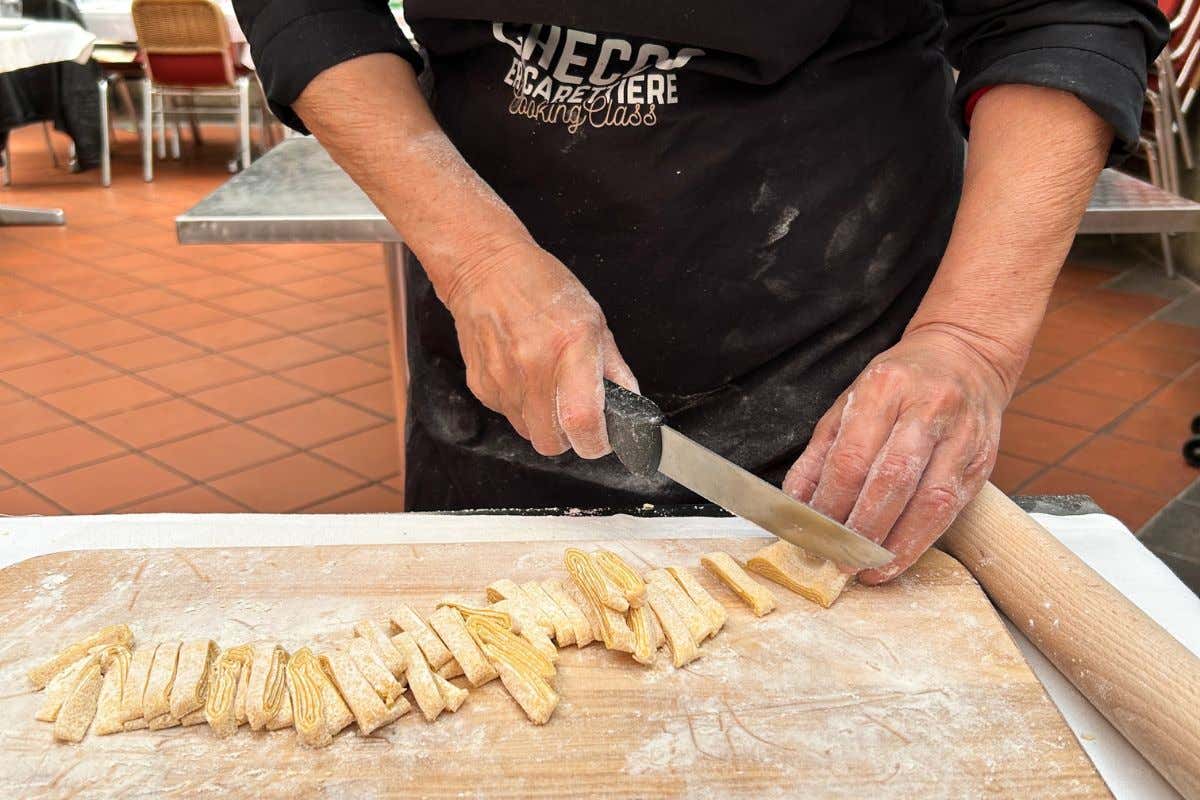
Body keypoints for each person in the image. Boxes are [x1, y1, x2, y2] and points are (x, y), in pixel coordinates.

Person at [234, 1, 1167, 582]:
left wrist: (970, 340)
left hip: (831, 315)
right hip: (495, 294)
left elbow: (1060, 11)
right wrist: (474, 257)